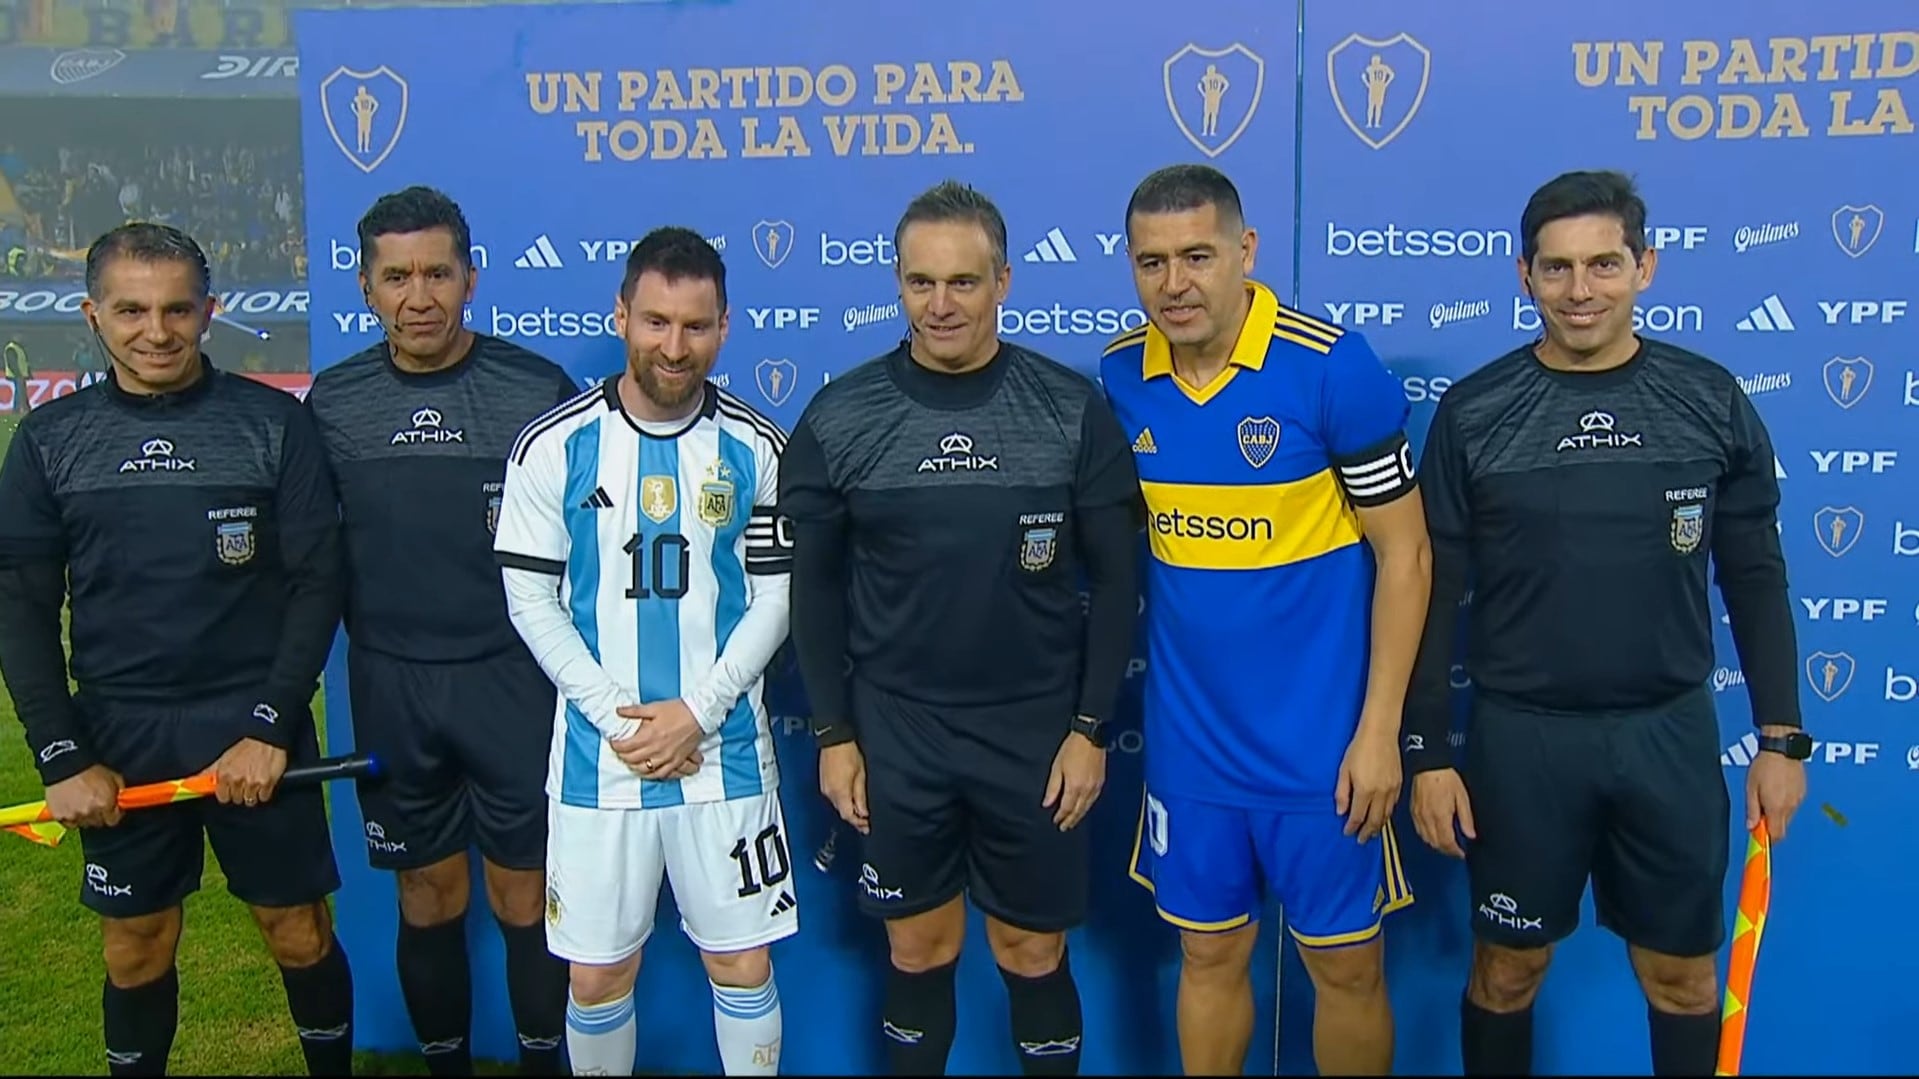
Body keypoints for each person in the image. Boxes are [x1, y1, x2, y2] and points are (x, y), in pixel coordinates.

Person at [1400, 169, 1809, 1077]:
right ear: (1524, 276)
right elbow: (1431, 590)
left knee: (1682, 982)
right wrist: (1425, 754)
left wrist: (1780, 735)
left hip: (1665, 735)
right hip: (1522, 742)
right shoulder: (1475, 413)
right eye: (1556, 269)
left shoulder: (1708, 400)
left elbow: (1753, 573)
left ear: (1645, 267)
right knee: (1507, 972)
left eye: (1603, 264)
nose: (1579, 291)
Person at [779, 180, 1141, 1077]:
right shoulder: (842, 416)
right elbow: (813, 592)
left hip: (1033, 733)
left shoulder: (1067, 408)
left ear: (1004, 280)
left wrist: (1089, 728)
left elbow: (1119, 576)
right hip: (900, 732)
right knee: (918, 952)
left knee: (1031, 954)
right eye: (920, 283)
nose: (940, 305)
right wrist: (834, 733)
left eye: (964, 283)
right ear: (898, 284)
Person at [0, 222, 355, 1077]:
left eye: (175, 309)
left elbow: (318, 582)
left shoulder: (272, 423)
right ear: (92, 314)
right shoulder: (50, 443)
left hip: (254, 727)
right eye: (130, 310)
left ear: (209, 312)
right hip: (120, 734)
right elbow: (20, 607)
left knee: (297, 930)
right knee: (136, 945)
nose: (154, 331)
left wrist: (270, 726)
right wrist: (61, 755)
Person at [1099, 164, 1431, 1076]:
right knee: (1206, 954)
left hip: (1324, 752)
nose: (1176, 284)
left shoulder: (1330, 368)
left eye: (1198, 256)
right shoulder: (1121, 377)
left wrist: (1378, 731)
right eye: (1152, 262)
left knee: (1345, 966)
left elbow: (1406, 555)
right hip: (1190, 750)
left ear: (1245, 251)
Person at [493, 226, 796, 1077]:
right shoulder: (552, 445)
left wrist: (695, 712)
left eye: (695, 326)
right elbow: (530, 599)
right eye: (655, 321)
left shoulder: (757, 447)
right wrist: (617, 717)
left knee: (742, 962)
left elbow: (776, 597)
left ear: (725, 327)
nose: (674, 345)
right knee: (595, 975)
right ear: (621, 314)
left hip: (723, 752)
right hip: (601, 755)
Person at [305, 186, 577, 1076]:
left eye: (435, 273)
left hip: (512, 680)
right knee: (426, 895)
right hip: (393, 684)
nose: (418, 296)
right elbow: (309, 563)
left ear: (470, 276)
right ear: (365, 287)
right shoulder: (333, 403)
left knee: (524, 895)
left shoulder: (536, 391)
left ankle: (543, 1063)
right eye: (396, 277)